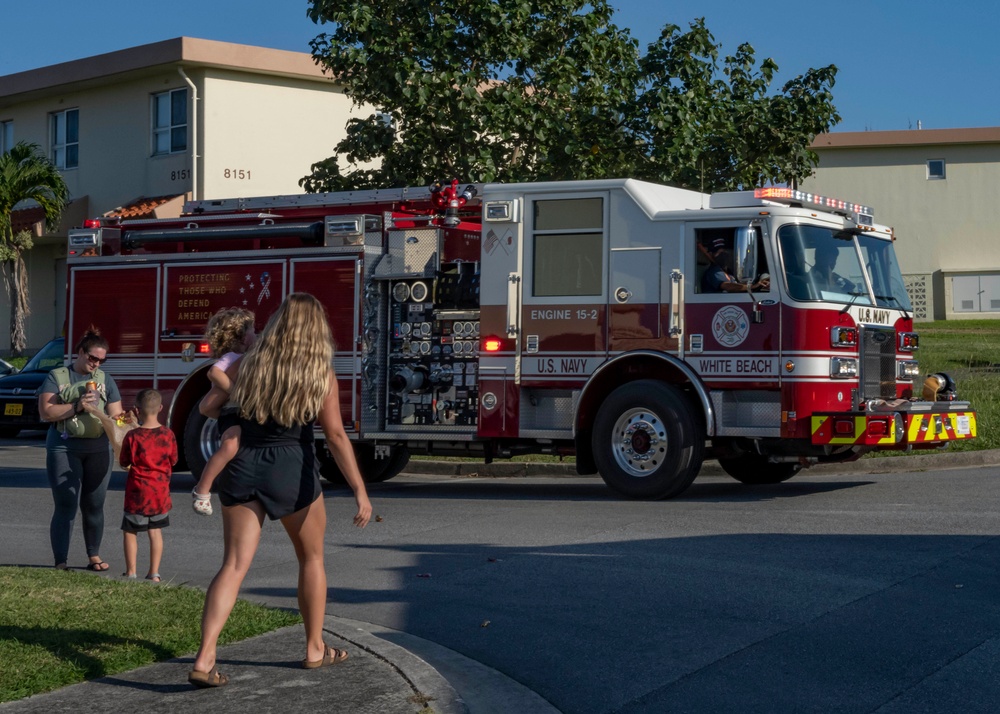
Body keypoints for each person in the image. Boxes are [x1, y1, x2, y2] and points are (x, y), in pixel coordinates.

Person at [188, 293, 373, 689]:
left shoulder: (244, 364)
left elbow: (207, 406)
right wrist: (360, 490)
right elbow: (336, 436)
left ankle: (204, 658)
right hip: (292, 466)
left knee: (233, 566)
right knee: (311, 559)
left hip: (242, 466)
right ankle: (314, 648)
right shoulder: (318, 373)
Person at [37, 326, 125, 571]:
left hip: (98, 449)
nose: (96, 364)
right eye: (92, 358)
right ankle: (61, 561)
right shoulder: (58, 376)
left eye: (101, 360)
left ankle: (94, 556)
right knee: (66, 503)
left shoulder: (105, 380)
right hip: (64, 448)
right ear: (80, 352)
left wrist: (126, 420)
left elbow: (115, 414)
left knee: (94, 504)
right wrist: (76, 406)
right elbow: (46, 412)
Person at [191, 308, 256, 516]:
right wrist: (234, 390)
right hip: (230, 410)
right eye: (253, 331)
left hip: (239, 411)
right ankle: (202, 489)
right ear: (242, 336)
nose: (257, 334)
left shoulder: (246, 357)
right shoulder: (232, 357)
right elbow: (214, 373)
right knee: (229, 446)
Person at [118, 388, 177, 582]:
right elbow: (174, 460)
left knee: (130, 530)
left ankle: (131, 571)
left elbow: (124, 461)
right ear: (160, 408)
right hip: (160, 491)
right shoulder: (168, 435)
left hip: (137, 492)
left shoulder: (133, 437)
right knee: (155, 531)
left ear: (136, 410)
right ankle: (154, 572)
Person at [701, 238, 769, 293]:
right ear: (710, 254)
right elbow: (727, 286)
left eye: (725, 251)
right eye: (719, 252)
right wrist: (752, 286)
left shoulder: (729, 273)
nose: (724, 254)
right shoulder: (714, 272)